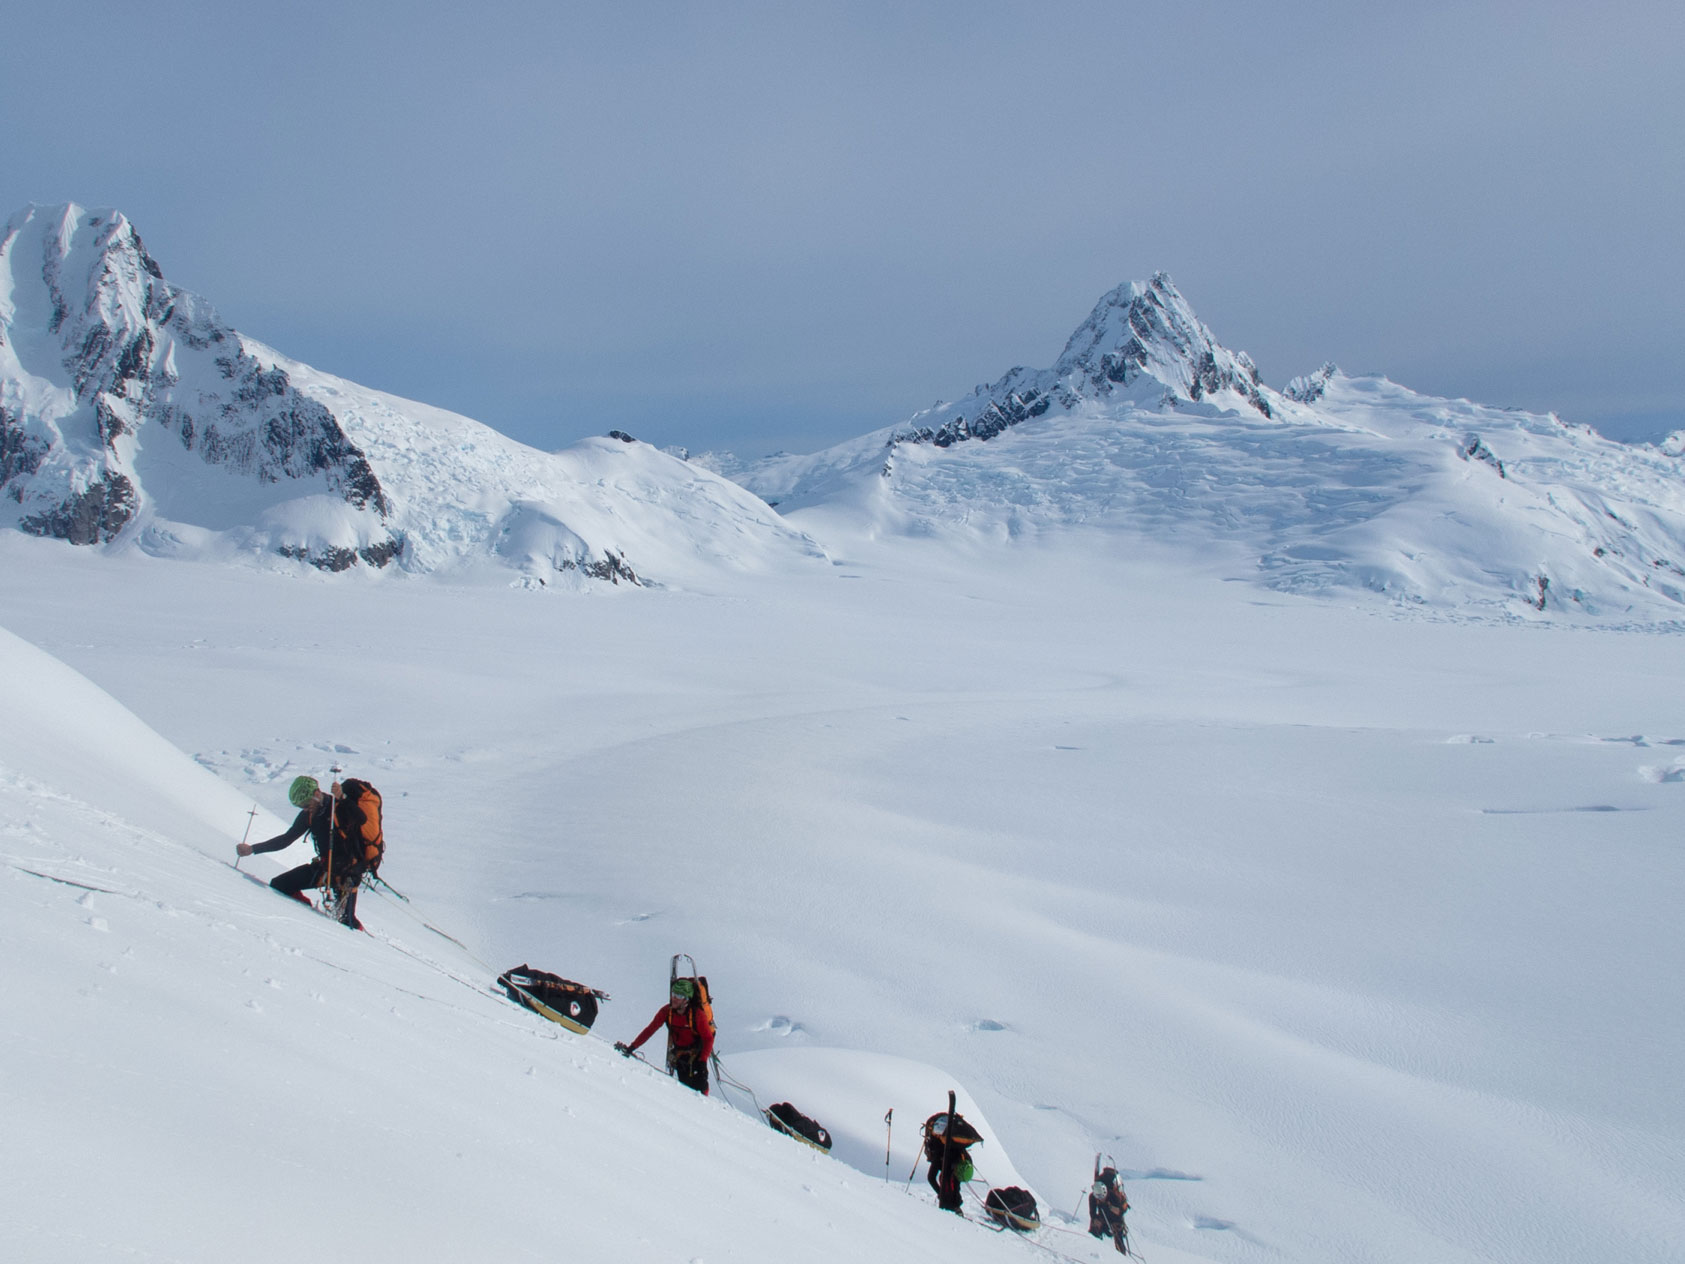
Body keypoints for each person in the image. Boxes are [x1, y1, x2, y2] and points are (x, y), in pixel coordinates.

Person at [237, 774, 366, 929]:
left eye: (306, 804)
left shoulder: (338, 806)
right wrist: (252, 849)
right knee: (280, 884)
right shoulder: (309, 815)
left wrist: (342, 797)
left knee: (346, 921)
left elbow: (361, 819)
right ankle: (305, 914)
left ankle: (362, 940)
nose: (305, 809)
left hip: (348, 872)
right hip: (326, 867)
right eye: (300, 806)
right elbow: (286, 839)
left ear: (317, 794)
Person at [614, 977, 715, 1094]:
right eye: (674, 994)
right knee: (685, 1085)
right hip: (681, 1052)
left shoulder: (698, 1015)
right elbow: (650, 1030)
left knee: (700, 1083)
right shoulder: (667, 1011)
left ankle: (704, 1103)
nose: (674, 998)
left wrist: (702, 1062)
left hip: (698, 1050)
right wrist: (632, 1047)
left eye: (680, 996)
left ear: (687, 999)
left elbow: (708, 1039)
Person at [1088, 1164, 1130, 1254]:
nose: (1100, 1199)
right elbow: (1092, 1214)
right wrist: (1096, 1221)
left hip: (1115, 1217)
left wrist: (1109, 1207)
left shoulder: (1114, 1196)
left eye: (1102, 1197)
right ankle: (1092, 1249)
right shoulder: (1093, 1197)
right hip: (1103, 1215)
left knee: (1117, 1232)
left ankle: (1121, 1256)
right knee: (1095, 1226)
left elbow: (1120, 1212)